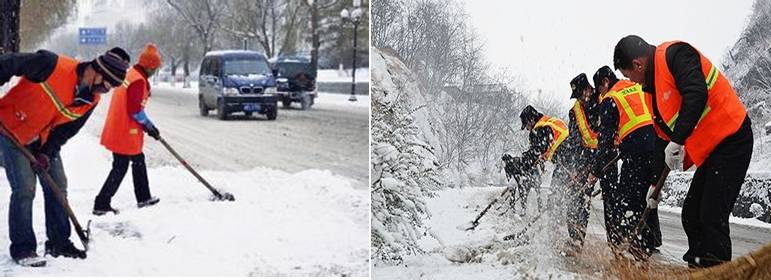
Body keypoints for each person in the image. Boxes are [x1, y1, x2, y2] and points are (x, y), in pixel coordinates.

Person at [613, 35, 753, 267]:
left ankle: (716, 270)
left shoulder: (675, 55)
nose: (633, 82)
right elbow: (661, 141)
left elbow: (696, 92)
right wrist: (653, 185)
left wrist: (678, 140)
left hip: (732, 137)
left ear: (638, 64)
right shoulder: (652, 93)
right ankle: (699, 266)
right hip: (713, 150)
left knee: (711, 215)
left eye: (629, 76)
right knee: (691, 213)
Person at [0, 48, 128, 266]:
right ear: (95, 70)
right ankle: (23, 248)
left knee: (58, 185)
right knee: (24, 188)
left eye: (108, 89)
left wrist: (47, 153)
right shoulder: (51, 64)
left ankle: (59, 242)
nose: (103, 91)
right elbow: (9, 63)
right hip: (9, 130)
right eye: (104, 84)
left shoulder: (90, 100)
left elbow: (66, 130)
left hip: (41, 139)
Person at [588, 65, 658, 259]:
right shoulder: (635, 85)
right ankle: (647, 247)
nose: (601, 95)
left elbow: (605, 141)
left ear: (605, 82)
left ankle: (635, 249)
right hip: (658, 145)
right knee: (647, 197)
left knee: (626, 201)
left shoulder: (611, 99)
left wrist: (595, 170)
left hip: (638, 151)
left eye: (600, 90)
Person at [94, 43, 162, 215]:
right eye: (155, 68)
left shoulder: (131, 74)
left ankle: (142, 197)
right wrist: (149, 126)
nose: (155, 71)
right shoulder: (138, 80)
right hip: (125, 130)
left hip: (119, 127)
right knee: (122, 165)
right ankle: (102, 203)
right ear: (149, 66)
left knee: (135, 161)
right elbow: (135, 110)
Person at [563, 73, 600, 255]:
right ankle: (575, 240)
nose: (581, 99)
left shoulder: (602, 101)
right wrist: (575, 169)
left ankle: (620, 244)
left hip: (605, 156)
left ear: (588, 88)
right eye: (577, 97)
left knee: (614, 200)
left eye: (581, 94)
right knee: (577, 198)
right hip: (584, 160)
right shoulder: (574, 112)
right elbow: (575, 140)